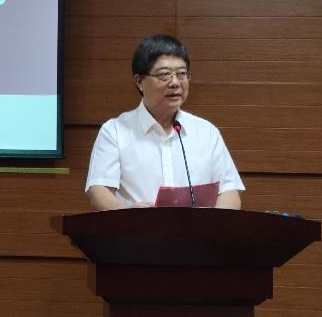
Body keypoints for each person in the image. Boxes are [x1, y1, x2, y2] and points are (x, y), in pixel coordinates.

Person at [85, 34, 244, 211]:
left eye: (182, 74)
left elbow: (229, 192)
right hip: (138, 228)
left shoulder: (206, 132)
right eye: (164, 75)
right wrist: (129, 216)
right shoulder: (115, 131)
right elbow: (99, 191)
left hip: (199, 229)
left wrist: (212, 224)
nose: (175, 83)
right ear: (140, 82)